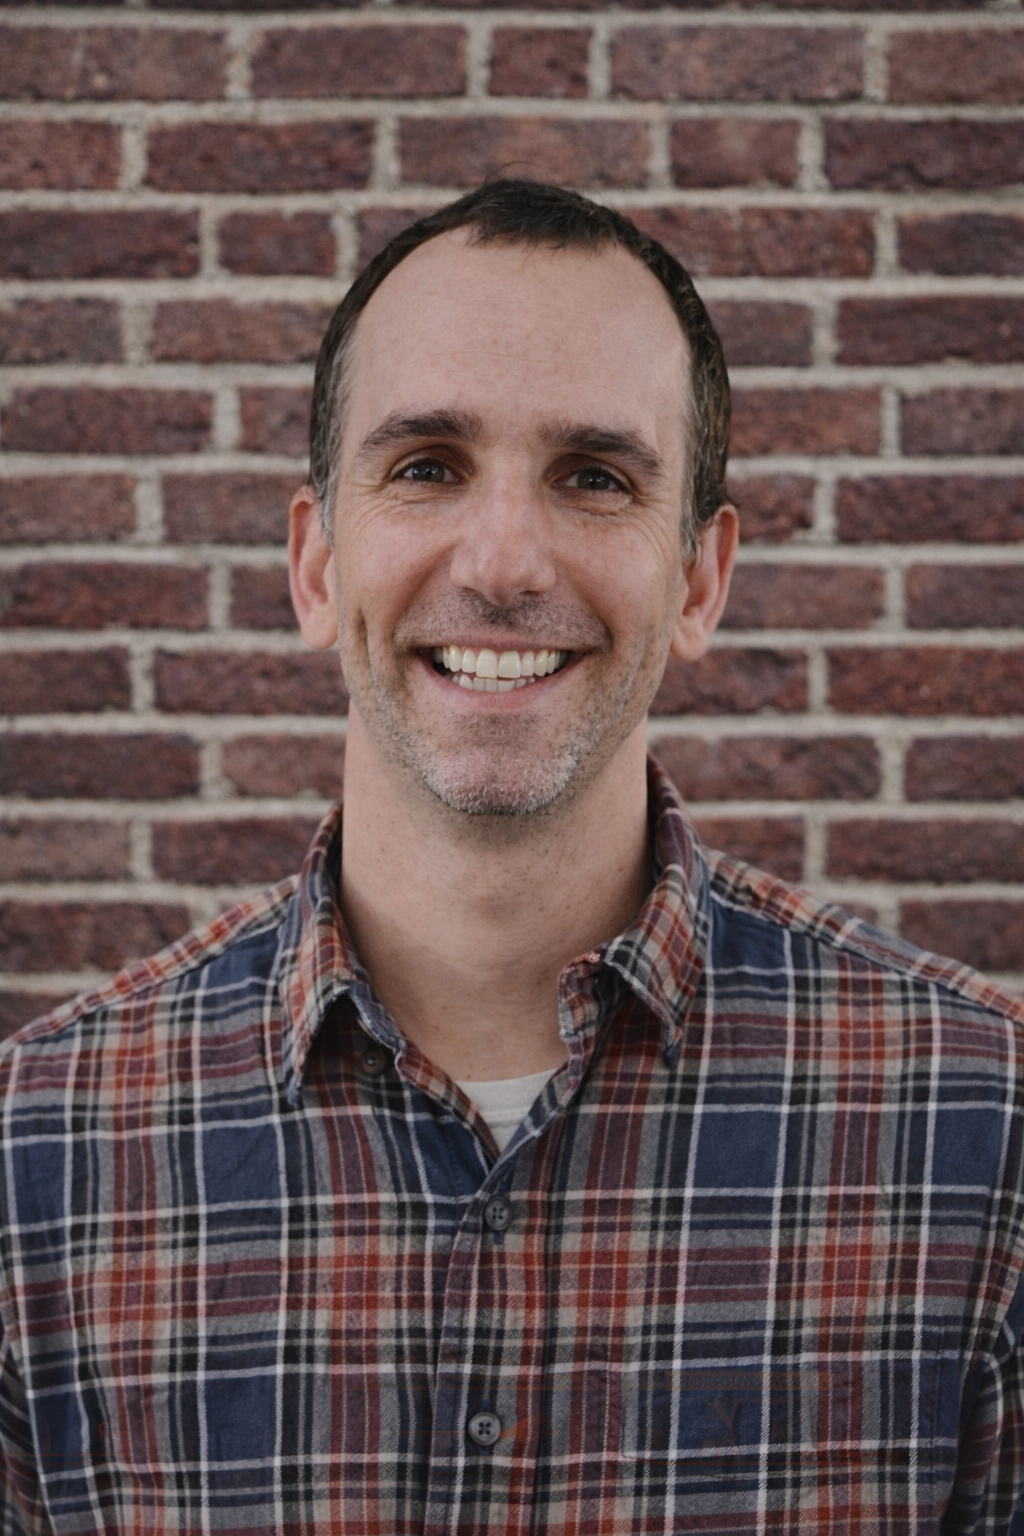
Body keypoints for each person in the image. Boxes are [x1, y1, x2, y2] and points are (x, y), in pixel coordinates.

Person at [1, 178, 1022, 1535]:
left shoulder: (985, 1131)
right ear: (316, 565)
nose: (504, 559)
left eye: (593, 477)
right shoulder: (38, 1160)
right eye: (426, 465)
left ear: (700, 580)